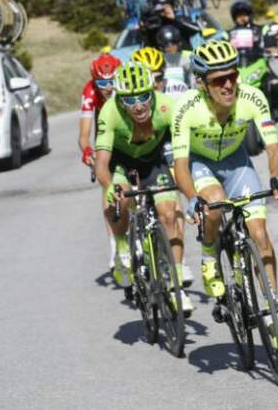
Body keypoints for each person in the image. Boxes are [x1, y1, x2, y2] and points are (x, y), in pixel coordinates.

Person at [171, 39, 278, 350]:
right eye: (218, 80)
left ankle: (270, 311)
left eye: (232, 76)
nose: (228, 85)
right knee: (213, 204)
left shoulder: (252, 97)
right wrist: (191, 198)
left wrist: (275, 177)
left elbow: (271, 145)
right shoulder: (186, 108)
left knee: (260, 234)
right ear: (201, 83)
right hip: (201, 164)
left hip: (236, 162)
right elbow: (181, 166)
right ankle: (210, 252)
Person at [93, 62, 193, 313]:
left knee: (169, 213)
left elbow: (184, 151)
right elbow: (101, 163)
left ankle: (175, 283)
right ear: (120, 99)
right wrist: (109, 187)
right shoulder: (109, 112)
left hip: (152, 161)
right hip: (120, 163)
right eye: (130, 99)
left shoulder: (166, 106)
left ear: (153, 91)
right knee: (120, 198)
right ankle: (122, 245)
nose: (138, 106)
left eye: (143, 97)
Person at [131, 46, 195, 287]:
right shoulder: (134, 99)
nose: (155, 82)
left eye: (158, 77)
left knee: (173, 201)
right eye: (150, 78)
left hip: (166, 145)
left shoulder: (174, 90)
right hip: (140, 150)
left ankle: (180, 259)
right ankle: (137, 237)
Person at [78, 52, 121, 269]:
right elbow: (84, 132)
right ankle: (114, 243)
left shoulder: (123, 86)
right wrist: (86, 149)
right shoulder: (89, 91)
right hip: (104, 139)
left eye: (111, 81)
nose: (108, 87)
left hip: (126, 136)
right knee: (108, 187)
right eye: (102, 83)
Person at [227, 0, 278, 115]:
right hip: (238, 68)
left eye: (244, 14)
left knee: (274, 82)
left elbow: (272, 46)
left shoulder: (262, 29)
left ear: (250, 15)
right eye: (238, 15)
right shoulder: (227, 34)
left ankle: (276, 108)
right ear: (234, 18)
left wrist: (271, 50)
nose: (242, 18)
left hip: (258, 65)